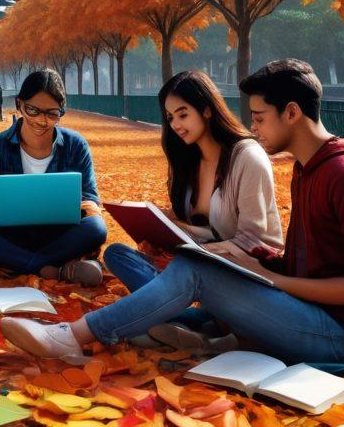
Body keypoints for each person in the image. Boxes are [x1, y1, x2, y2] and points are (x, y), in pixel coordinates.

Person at [0, 59, 344, 366]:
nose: (255, 127)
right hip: (313, 311)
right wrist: (249, 264)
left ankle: (73, 337)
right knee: (176, 262)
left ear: (292, 113)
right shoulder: (310, 169)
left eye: (261, 117)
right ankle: (196, 325)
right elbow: (308, 262)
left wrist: (267, 276)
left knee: (196, 270)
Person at [101, 70, 283, 351]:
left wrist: (196, 253)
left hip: (241, 275)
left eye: (183, 114)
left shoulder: (247, 156)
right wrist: (160, 226)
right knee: (117, 254)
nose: (175, 124)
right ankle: (194, 324)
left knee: (185, 272)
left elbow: (254, 242)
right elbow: (198, 226)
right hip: (196, 266)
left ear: (207, 110)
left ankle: (184, 323)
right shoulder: (188, 160)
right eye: (170, 117)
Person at [0, 69, 108, 287]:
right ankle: (55, 268)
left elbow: (91, 202)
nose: (41, 121)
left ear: (61, 111)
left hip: (60, 235)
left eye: (52, 113)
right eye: (32, 110)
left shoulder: (76, 145)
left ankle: (9, 261)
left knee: (96, 228)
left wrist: (88, 207)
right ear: (19, 104)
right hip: (11, 234)